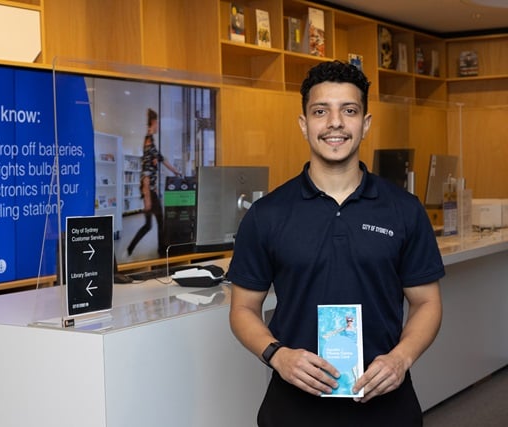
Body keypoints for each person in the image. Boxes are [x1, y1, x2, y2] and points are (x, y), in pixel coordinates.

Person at [227, 60, 444, 426]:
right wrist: (278, 356)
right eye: (320, 111)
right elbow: (243, 310)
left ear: (366, 123)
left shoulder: (404, 210)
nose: (335, 123)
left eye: (349, 110)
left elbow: (426, 303)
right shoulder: (267, 214)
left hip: (385, 405)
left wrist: (401, 359)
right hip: (294, 408)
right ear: (304, 124)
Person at [127, 108, 181, 258]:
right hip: (148, 191)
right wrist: (147, 198)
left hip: (150, 190)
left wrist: (175, 171)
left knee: (149, 225)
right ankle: (162, 250)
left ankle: (131, 248)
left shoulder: (150, 141)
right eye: (157, 123)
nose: (158, 126)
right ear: (153, 122)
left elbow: (162, 160)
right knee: (160, 221)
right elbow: (145, 172)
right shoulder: (148, 142)